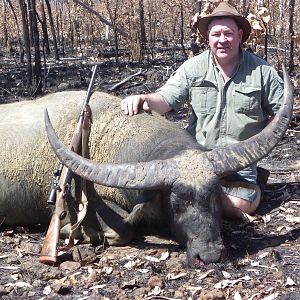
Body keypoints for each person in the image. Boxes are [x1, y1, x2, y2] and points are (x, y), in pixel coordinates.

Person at [120, 2, 284, 218]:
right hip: (197, 162)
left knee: (232, 207)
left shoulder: (263, 71)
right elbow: (165, 100)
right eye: (216, 34)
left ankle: (253, 186)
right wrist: (143, 99)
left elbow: (281, 114)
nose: (222, 40)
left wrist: (261, 143)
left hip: (240, 164)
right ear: (208, 37)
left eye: (228, 33)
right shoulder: (192, 68)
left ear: (239, 34)